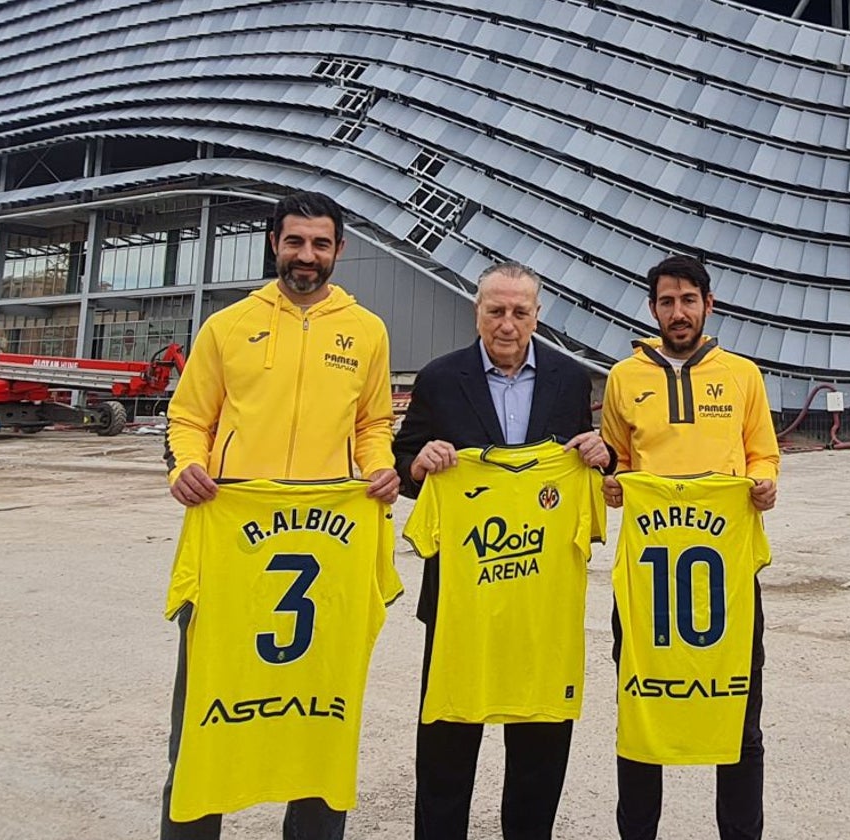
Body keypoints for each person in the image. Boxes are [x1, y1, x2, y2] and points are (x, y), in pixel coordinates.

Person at [161, 190, 400, 840]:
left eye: (321, 244)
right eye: (295, 241)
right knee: (206, 719)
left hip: (325, 552)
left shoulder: (366, 331)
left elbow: (373, 422)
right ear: (274, 242)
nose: (307, 256)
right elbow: (188, 417)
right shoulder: (227, 326)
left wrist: (378, 465)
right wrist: (184, 464)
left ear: (340, 250)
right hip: (233, 542)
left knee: (321, 718)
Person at [392, 260, 613, 840]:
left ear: (537, 314)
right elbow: (401, 457)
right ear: (478, 313)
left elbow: (590, 464)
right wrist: (420, 464)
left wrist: (600, 454)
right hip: (459, 595)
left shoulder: (570, 380)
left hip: (539, 597)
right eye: (496, 311)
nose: (508, 324)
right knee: (447, 737)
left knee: (539, 736)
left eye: (520, 311)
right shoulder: (441, 378)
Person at [600, 254, 780, 840]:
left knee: (737, 709)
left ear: (709, 303)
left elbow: (763, 451)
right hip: (648, 577)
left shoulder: (743, 375)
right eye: (666, 302)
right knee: (642, 707)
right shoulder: (624, 378)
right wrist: (612, 486)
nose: (678, 313)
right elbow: (619, 462)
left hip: (726, 571)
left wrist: (764, 482)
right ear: (652, 309)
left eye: (688, 300)